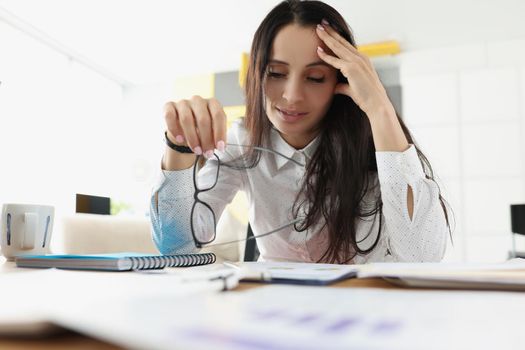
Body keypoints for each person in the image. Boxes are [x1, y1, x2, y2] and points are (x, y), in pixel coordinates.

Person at [150, 0, 451, 264]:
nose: (292, 96)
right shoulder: (242, 141)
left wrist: (380, 109)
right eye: (276, 73)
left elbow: (421, 256)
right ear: (256, 75)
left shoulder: (375, 142)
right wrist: (178, 148)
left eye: (316, 77)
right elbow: (176, 248)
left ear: (340, 80)